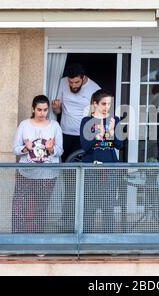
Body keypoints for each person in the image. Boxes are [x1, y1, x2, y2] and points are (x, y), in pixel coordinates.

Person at [12, 95, 63, 233]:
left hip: (47, 175)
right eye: (39, 110)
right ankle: (17, 239)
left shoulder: (54, 126)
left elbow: (60, 150)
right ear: (33, 109)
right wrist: (25, 148)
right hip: (26, 173)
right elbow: (15, 149)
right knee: (19, 207)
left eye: (45, 110)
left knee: (40, 208)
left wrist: (51, 148)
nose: (42, 113)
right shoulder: (24, 125)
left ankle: (37, 240)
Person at [80, 89, 125, 232]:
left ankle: (108, 238)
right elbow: (85, 146)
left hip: (110, 168)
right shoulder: (86, 121)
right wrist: (96, 135)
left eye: (109, 104)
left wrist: (111, 132)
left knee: (108, 206)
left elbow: (119, 145)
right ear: (95, 104)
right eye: (104, 104)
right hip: (91, 169)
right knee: (89, 206)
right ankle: (86, 238)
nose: (107, 107)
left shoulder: (114, 120)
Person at [51, 63, 101, 162]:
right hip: (65, 133)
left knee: (81, 164)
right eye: (70, 82)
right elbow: (58, 111)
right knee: (66, 163)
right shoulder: (62, 82)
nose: (73, 85)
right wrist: (56, 108)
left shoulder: (95, 89)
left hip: (84, 135)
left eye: (77, 82)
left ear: (83, 77)